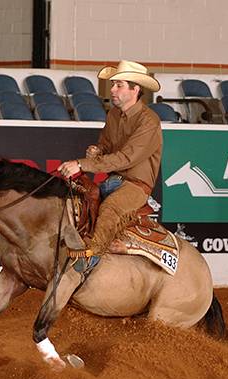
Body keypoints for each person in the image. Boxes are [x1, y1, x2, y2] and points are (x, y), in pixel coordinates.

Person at [58, 60, 163, 266]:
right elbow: (105, 145)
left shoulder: (149, 121)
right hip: (115, 180)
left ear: (135, 89)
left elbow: (126, 158)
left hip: (136, 186)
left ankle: (91, 260)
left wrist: (82, 165)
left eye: (119, 85)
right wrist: (97, 151)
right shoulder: (114, 114)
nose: (112, 90)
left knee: (110, 209)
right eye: (113, 84)